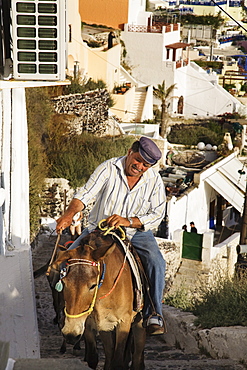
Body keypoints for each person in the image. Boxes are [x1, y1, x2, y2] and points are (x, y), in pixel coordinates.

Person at [56, 137, 167, 335]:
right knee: (67, 260)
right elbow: (85, 194)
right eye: (138, 160)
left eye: (145, 165)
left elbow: (157, 214)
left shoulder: (154, 180)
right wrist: (69, 214)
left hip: (136, 233)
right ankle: (64, 311)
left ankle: (154, 313)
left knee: (156, 261)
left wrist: (128, 221)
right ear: (129, 151)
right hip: (100, 230)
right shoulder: (108, 168)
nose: (140, 167)